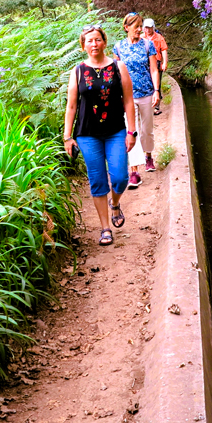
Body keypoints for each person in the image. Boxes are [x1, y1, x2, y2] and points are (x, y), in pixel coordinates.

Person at [64, 25, 138, 247]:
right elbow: (71, 106)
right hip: (87, 134)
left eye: (97, 40)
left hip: (115, 130)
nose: (93, 44)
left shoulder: (118, 67)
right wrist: (67, 137)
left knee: (120, 178)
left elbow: (128, 101)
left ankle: (115, 203)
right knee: (97, 180)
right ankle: (105, 227)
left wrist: (132, 131)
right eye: (89, 41)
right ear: (83, 46)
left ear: (104, 42)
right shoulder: (77, 71)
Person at [113, 13, 160, 181]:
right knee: (131, 131)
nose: (140, 29)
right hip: (127, 97)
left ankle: (148, 156)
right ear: (126, 28)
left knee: (147, 130)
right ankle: (134, 170)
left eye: (141, 26)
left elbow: (154, 69)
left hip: (146, 93)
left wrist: (156, 90)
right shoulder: (118, 47)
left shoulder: (148, 45)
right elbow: (116, 74)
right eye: (136, 26)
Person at [143, 19, 168, 115]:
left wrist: (164, 62)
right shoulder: (142, 38)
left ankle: (156, 106)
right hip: (145, 63)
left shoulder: (159, 37)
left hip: (156, 63)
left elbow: (164, 50)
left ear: (153, 27)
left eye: (149, 28)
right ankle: (147, 105)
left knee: (156, 84)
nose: (148, 30)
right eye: (146, 28)